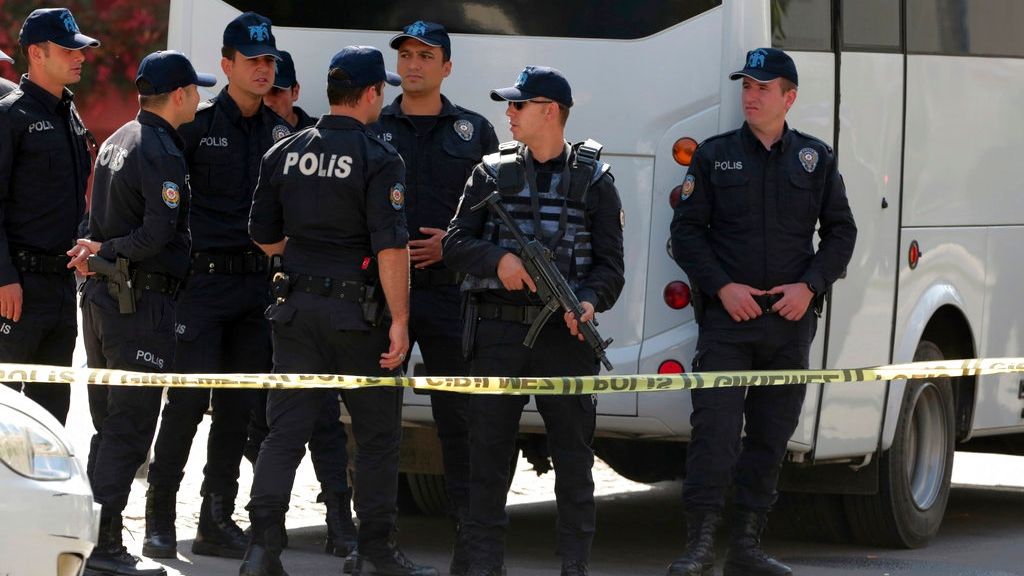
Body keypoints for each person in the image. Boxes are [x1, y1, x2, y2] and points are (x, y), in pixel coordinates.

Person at [243, 45, 437, 576]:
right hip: (360, 318)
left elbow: (263, 235)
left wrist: (306, 257)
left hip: (295, 311)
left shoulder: (284, 152)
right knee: (376, 437)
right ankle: (373, 552)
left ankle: (262, 549)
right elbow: (391, 247)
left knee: (285, 432)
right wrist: (401, 321)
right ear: (372, 93)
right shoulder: (380, 157)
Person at [668, 47, 857, 576]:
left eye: (762, 88)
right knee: (715, 436)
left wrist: (810, 287)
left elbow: (841, 232)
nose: (750, 96)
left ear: (788, 97)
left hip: (789, 325)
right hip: (728, 324)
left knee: (771, 438)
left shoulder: (815, 158)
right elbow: (685, 233)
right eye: (746, 87)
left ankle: (745, 548)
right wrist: (723, 288)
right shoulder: (715, 155)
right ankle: (699, 546)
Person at [443, 65, 625, 576]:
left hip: (566, 336)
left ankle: (575, 564)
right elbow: (455, 243)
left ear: (550, 111)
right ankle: (482, 564)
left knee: (573, 459)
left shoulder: (595, 181)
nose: (509, 113)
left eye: (519, 105)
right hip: (498, 331)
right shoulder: (489, 173)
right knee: (486, 456)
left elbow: (611, 268)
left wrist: (588, 302)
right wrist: (498, 261)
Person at [142, 12, 294, 561]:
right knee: (185, 404)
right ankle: (159, 518)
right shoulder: (196, 126)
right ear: (226, 65)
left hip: (256, 288)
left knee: (237, 409)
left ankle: (216, 517)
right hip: (201, 287)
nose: (262, 69)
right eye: (251, 60)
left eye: (268, 60)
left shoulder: (282, 135)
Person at [67, 49, 214, 576]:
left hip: (105, 301)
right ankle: (104, 546)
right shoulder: (160, 149)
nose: (199, 99)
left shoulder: (118, 138)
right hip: (137, 304)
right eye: (194, 90)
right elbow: (157, 234)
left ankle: (91, 535)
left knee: (109, 427)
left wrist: (97, 251)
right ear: (179, 95)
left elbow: (93, 221)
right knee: (128, 429)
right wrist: (105, 252)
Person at [369, 20, 498, 575]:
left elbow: (498, 215)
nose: (413, 64)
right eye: (406, 55)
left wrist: (454, 245)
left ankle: (471, 544)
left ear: (447, 67)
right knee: (378, 420)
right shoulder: (373, 125)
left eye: (426, 56)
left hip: (450, 295)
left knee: (460, 421)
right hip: (382, 297)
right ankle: (373, 543)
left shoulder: (476, 132)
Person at [249, 45, 359, 558]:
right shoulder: (253, 133)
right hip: (254, 293)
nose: (271, 99)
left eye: (279, 91)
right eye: (266, 91)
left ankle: (338, 520)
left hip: (295, 298)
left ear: (294, 92)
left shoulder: (312, 140)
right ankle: (263, 528)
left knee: (321, 421)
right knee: (267, 419)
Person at [0, 8, 97, 425]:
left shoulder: (69, 113)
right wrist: (3, 277)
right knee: (4, 411)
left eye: (80, 50)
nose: (80, 57)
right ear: (37, 53)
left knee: (51, 416)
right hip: (16, 289)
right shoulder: (10, 116)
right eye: (68, 50)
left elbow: (73, 198)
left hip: (60, 286)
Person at [262, 50, 316, 129]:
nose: (267, 103)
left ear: (295, 91)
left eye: (276, 91)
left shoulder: (323, 134)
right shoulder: (244, 134)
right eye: (259, 93)